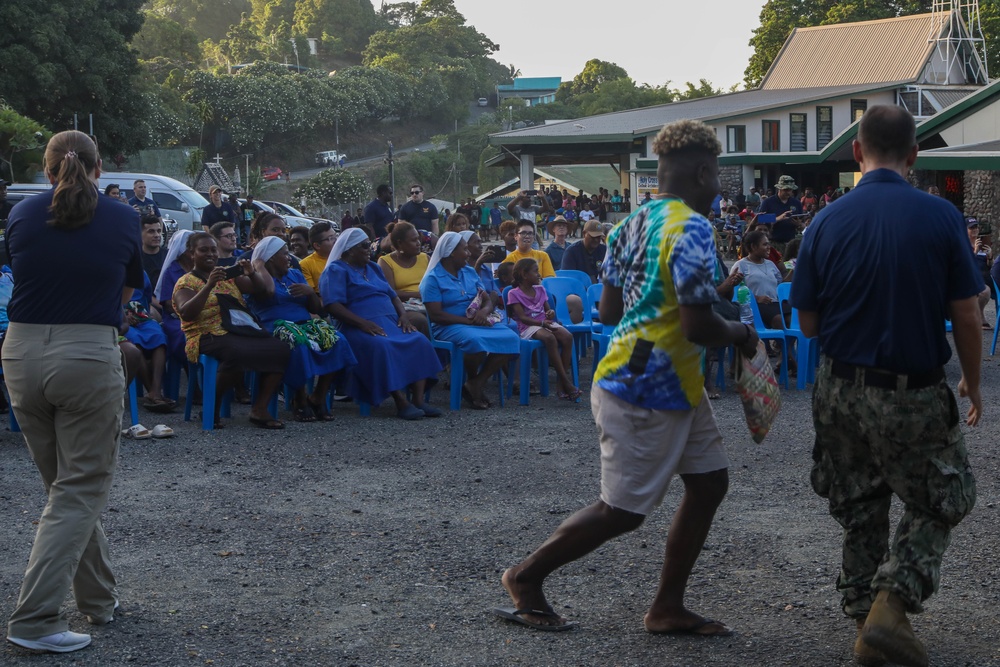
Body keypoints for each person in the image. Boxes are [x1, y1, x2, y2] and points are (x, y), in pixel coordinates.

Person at [495, 118, 759, 635]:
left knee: (708, 483)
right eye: (718, 175)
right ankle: (525, 578)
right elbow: (698, 324)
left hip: (657, 375)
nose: (719, 186)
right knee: (621, 511)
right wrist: (741, 332)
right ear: (704, 171)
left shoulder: (629, 225)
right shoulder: (692, 227)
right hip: (647, 385)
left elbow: (612, 311)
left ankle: (666, 608)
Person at [791, 105, 982, 667]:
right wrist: (973, 383)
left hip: (839, 387)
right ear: (915, 154)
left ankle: (863, 620)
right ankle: (890, 607)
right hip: (912, 390)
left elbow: (807, 323)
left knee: (859, 501)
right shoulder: (941, 215)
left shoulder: (824, 221)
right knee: (943, 495)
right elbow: (967, 315)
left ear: (857, 151)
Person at [4, 130, 144, 654]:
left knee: (65, 489)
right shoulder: (126, 218)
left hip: (20, 352)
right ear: (99, 167)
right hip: (85, 352)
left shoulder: (20, 214)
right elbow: (123, 292)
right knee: (77, 489)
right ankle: (35, 620)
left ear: (47, 169)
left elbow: (24, 274)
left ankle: (99, 599)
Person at [320, 228, 442, 420]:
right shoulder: (336, 270)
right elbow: (333, 306)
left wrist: (403, 316)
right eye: (364, 246)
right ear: (350, 250)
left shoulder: (373, 267)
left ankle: (418, 400)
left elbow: (392, 295)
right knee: (382, 347)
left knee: (419, 340)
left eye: (369, 245)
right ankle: (400, 402)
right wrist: (362, 324)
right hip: (356, 326)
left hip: (390, 322)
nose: (370, 249)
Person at [173, 233, 291, 429]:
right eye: (203, 250)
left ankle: (259, 408)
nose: (210, 254)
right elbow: (187, 313)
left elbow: (260, 291)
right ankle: (212, 408)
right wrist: (209, 285)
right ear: (192, 254)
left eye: (213, 250)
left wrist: (251, 273)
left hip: (237, 330)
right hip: (205, 333)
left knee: (280, 349)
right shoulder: (185, 282)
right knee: (236, 353)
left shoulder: (228, 276)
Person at [245, 236, 357, 422]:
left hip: (304, 322)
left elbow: (316, 310)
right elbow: (268, 292)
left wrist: (310, 293)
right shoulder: (258, 278)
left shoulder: (295, 275)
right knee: (299, 344)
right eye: (283, 253)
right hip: (275, 326)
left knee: (337, 340)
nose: (289, 257)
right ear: (271, 257)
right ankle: (299, 397)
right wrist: (259, 265)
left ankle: (318, 396)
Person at [420, 232, 519, 410]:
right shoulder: (433, 279)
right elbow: (436, 315)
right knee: (475, 340)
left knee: (511, 338)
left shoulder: (468, 272)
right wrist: (468, 321)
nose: (468, 253)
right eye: (464, 249)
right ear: (451, 253)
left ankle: (475, 383)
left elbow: (486, 298)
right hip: (447, 326)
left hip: (475, 322)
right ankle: (474, 385)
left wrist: (484, 311)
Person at [506, 258, 580, 400]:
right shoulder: (513, 293)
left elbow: (548, 310)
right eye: (535, 271)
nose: (539, 274)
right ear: (524, 274)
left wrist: (550, 313)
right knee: (549, 338)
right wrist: (542, 324)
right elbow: (522, 318)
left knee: (567, 337)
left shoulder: (540, 289)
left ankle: (560, 383)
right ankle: (566, 382)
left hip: (543, 323)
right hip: (527, 327)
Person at [378, 221, 431, 336]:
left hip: (428, 301)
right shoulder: (386, 262)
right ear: (400, 243)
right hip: (404, 306)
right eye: (413, 240)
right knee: (420, 321)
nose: (418, 243)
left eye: (418, 239)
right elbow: (390, 293)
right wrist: (417, 294)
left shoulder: (425, 258)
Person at [731, 230, 789, 330]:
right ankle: (780, 344)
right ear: (753, 246)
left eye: (769, 244)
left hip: (775, 303)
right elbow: (735, 291)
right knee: (779, 320)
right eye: (765, 244)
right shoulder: (741, 265)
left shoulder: (770, 264)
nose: (768, 247)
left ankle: (784, 345)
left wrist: (793, 273)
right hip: (756, 306)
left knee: (793, 319)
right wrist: (756, 298)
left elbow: (780, 285)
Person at [757, 175, 804, 253]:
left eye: (790, 190)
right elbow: (761, 220)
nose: (788, 192)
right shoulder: (768, 202)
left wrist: (799, 224)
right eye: (785, 190)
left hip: (790, 242)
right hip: (773, 241)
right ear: (779, 188)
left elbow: (802, 223)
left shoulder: (796, 203)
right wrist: (778, 218)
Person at [964, 217, 993, 328]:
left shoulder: (983, 244)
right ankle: (979, 317)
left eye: (976, 227)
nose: (975, 229)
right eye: (972, 228)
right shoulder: (963, 246)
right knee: (985, 291)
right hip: (970, 279)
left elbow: (990, 266)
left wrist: (990, 257)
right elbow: (965, 265)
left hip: (985, 277)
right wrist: (975, 252)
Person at [298, 222, 335, 292]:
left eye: (335, 236)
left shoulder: (344, 257)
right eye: (330, 238)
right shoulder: (305, 265)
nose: (335, 240)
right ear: (317, 245)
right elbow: (311, 294)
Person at [140, 213, 167, 287]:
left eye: (158, 231)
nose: (157, 235)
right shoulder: (135, 258)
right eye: (151, 231)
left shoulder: (168, 256)